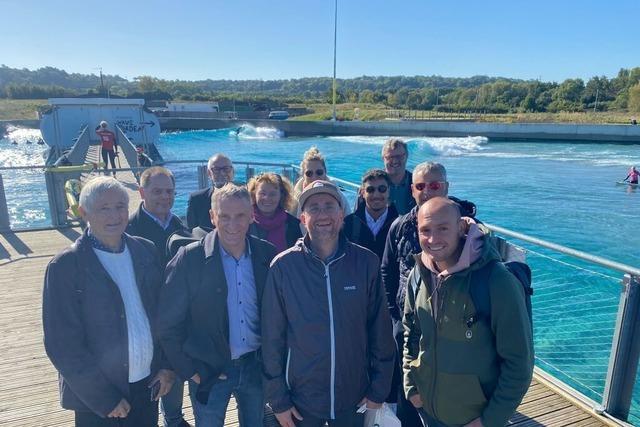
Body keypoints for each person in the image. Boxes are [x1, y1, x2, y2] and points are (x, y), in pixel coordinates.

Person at [42, 176, 175, 426]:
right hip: (99, 402)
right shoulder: (66, 266)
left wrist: (167, 367)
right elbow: (62, 345)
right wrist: (104, 399)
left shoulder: (145, 251)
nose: (114, 215)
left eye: (120, 207)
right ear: (84, 213)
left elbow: (163, 316)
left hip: (147, 387)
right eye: (104, 208)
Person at [262, 180, 395, 427]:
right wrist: (278, 400)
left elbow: (381, 331)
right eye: (313, 207)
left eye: (329, 206)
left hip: (354, 397)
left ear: (341, 214)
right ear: (302, 218)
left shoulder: (366, 263)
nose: (322, 213)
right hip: (301, 401)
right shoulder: (283, 267)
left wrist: (379, 388)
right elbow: (272, 339)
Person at [403, 197, 533, 427]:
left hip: (475, 421)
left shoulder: (497, 281)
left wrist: (490, 420)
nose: (433, 239)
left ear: (462, 227)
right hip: (429, 412)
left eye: (443, 228)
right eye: (425, 230)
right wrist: (411, 384)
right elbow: (411, 331)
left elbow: (519, 364)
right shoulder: (418, 273)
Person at [157, 184, 276, 427]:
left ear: (252, 216)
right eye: (224, 216)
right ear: (212, 216)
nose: (233, 224)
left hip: (255, 367)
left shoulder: (266, 254)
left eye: (240, 215)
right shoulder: (189, 258)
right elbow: (167, 324)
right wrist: (189, 370)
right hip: (208, 370)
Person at [380, 161, 477, 427]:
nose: (427, 191)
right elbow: (387, 271)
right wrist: (395, 315)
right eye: (421, 186)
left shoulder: (467, 227)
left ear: (446, 187)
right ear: (412, 190)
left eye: (435, 185)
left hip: (453, 328)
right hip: (409, 324)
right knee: (408, 388)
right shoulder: (399, 226)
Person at [124, 167, 190, 427]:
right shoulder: (128, 229)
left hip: (176, 319)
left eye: (169, 191)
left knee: (173, 375)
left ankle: (173, 418)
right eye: (157, 191)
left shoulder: (179, 226)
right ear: (141, 192)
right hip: (144, 322)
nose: (165, 197)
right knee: (149, 384)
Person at [343, 169, 399, 262]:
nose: (376, 194)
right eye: (370, 190)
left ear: (388, 191)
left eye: (382, 189)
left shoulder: (400, 225)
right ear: (362, 193)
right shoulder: (349, 223)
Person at [247, 172, 302, 252]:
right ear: (254, 195)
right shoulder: (245, 222)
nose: (267, 198)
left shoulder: (293, 224)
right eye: (262, 193)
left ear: (282, 196)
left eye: (273, 194)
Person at [292, 146, 351, 216]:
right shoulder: (294, 200)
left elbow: (347, 220)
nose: (314, 177)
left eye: (319, 172)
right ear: (303, 175)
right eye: (309, 173)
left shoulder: (338, 195)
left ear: (325, 172)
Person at [186, 153, 234, 230]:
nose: (222, 173)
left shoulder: (246, 198)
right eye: (216, 169)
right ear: (209, 173)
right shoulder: (196, 200)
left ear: (233, 171)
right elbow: (192, 232)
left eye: (226, 169)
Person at [382, 138, 415, 215]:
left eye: (399, 156)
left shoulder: (417, 183)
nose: (394, 161)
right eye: (390, 157)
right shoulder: (372, 185)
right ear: (383, 159)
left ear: (406, 156)